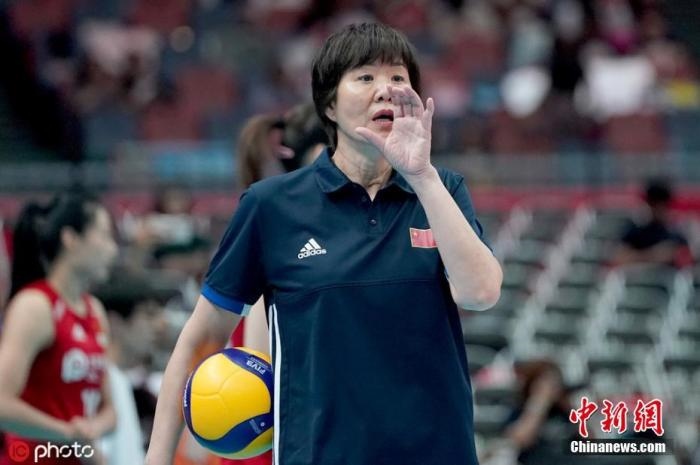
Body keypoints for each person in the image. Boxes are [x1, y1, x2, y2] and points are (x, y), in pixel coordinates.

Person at [146, 22, 502, 465]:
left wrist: (421, 176)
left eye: (398, 77)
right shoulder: (271, 206)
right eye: (365, 77)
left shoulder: (442, 189)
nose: (385, 90)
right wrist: (156, 459)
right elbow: (199, 339)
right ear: (329, 105)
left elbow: (480, 293)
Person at [0, 192, 118, 465]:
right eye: (104, 235)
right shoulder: (35, 306)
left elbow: (110, 411)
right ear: (71, 238)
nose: (113, 249)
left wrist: (91, 431)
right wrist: (68, 434)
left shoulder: (95, 311)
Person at [612, 178, 692, 268]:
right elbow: (620, 258)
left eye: (663, 204)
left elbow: (687, 261)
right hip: (639, 276)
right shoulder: (636, 230)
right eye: (655, 204)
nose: (659, 209)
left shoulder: (676, 233)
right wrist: (654, 255)